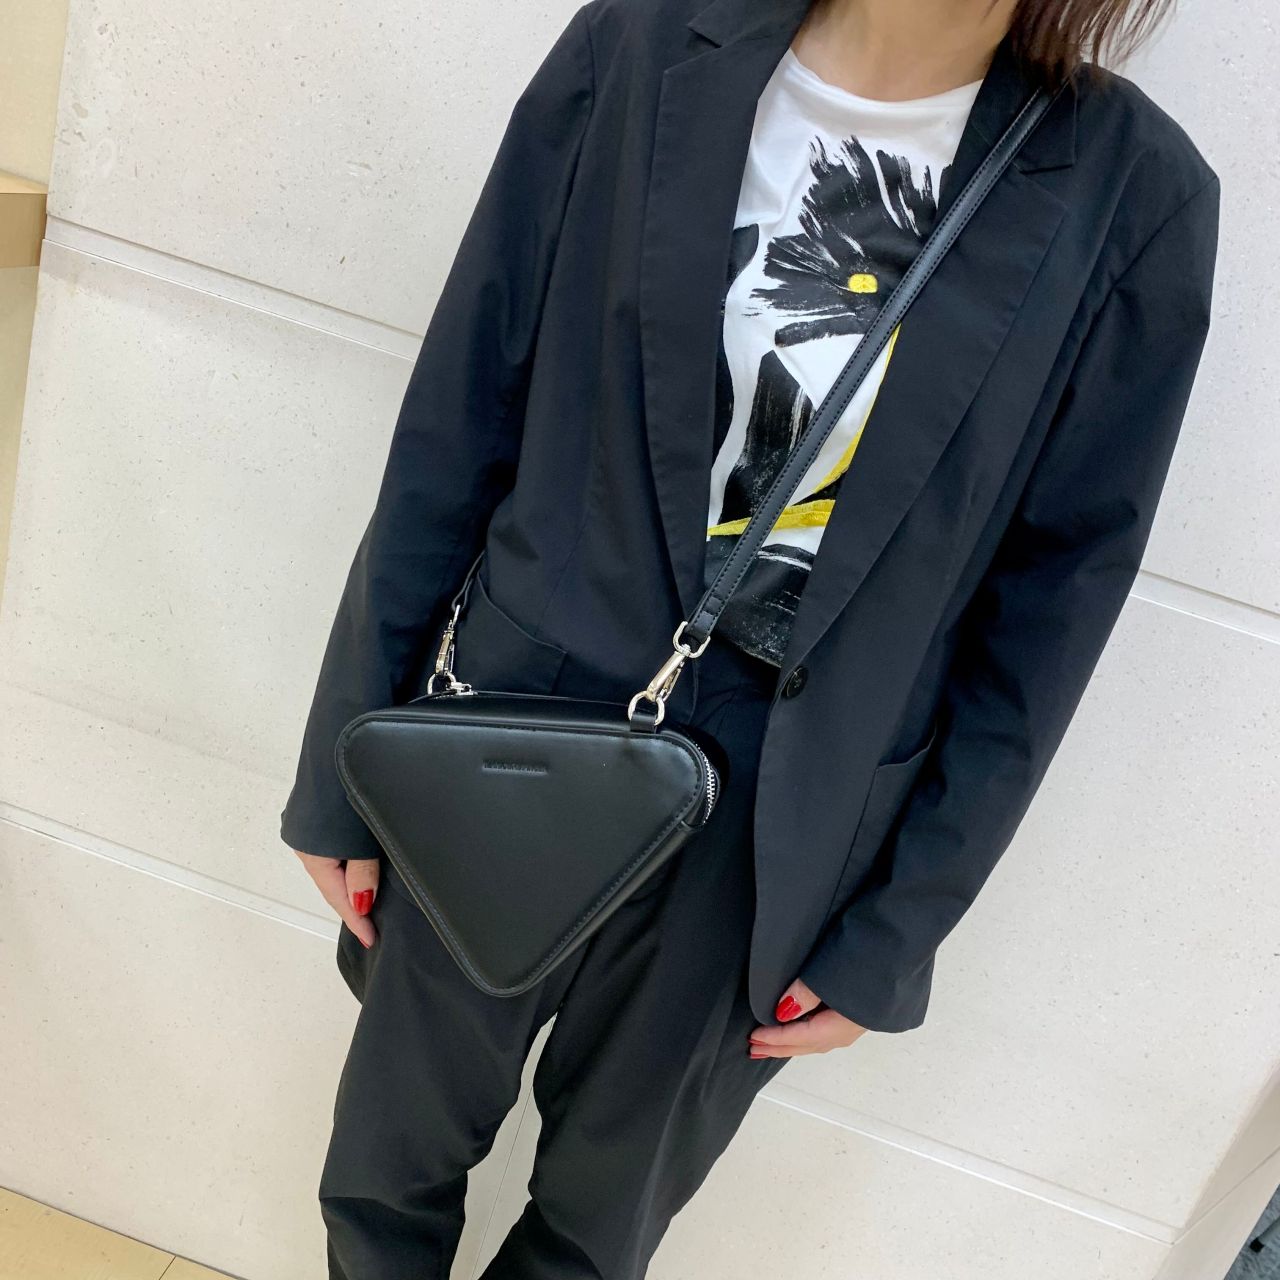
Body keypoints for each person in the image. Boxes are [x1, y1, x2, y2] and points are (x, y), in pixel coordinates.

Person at [280, 0, 1220, 1275]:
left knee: (595, 1230)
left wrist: (893, 930)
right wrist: (340, 756)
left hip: (781, 825)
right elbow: (464, 399)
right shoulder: (646, 44)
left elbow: (1050, 611)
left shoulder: (1130, 194)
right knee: (382, 1174)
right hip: (506, 726)